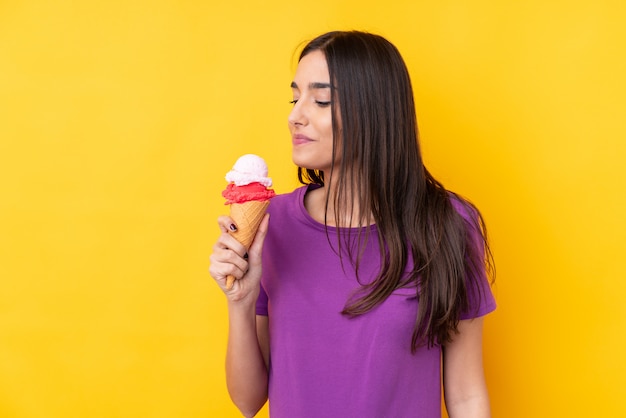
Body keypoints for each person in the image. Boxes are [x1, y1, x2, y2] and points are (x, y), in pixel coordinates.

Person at [209, 30, 496, 418]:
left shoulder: (447, 226)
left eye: (321, 100)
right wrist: (240, 304)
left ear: (373, 111)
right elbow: (247, 400)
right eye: (295, 97)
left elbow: (466, 396)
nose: (295, 115)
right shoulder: (272, 224)